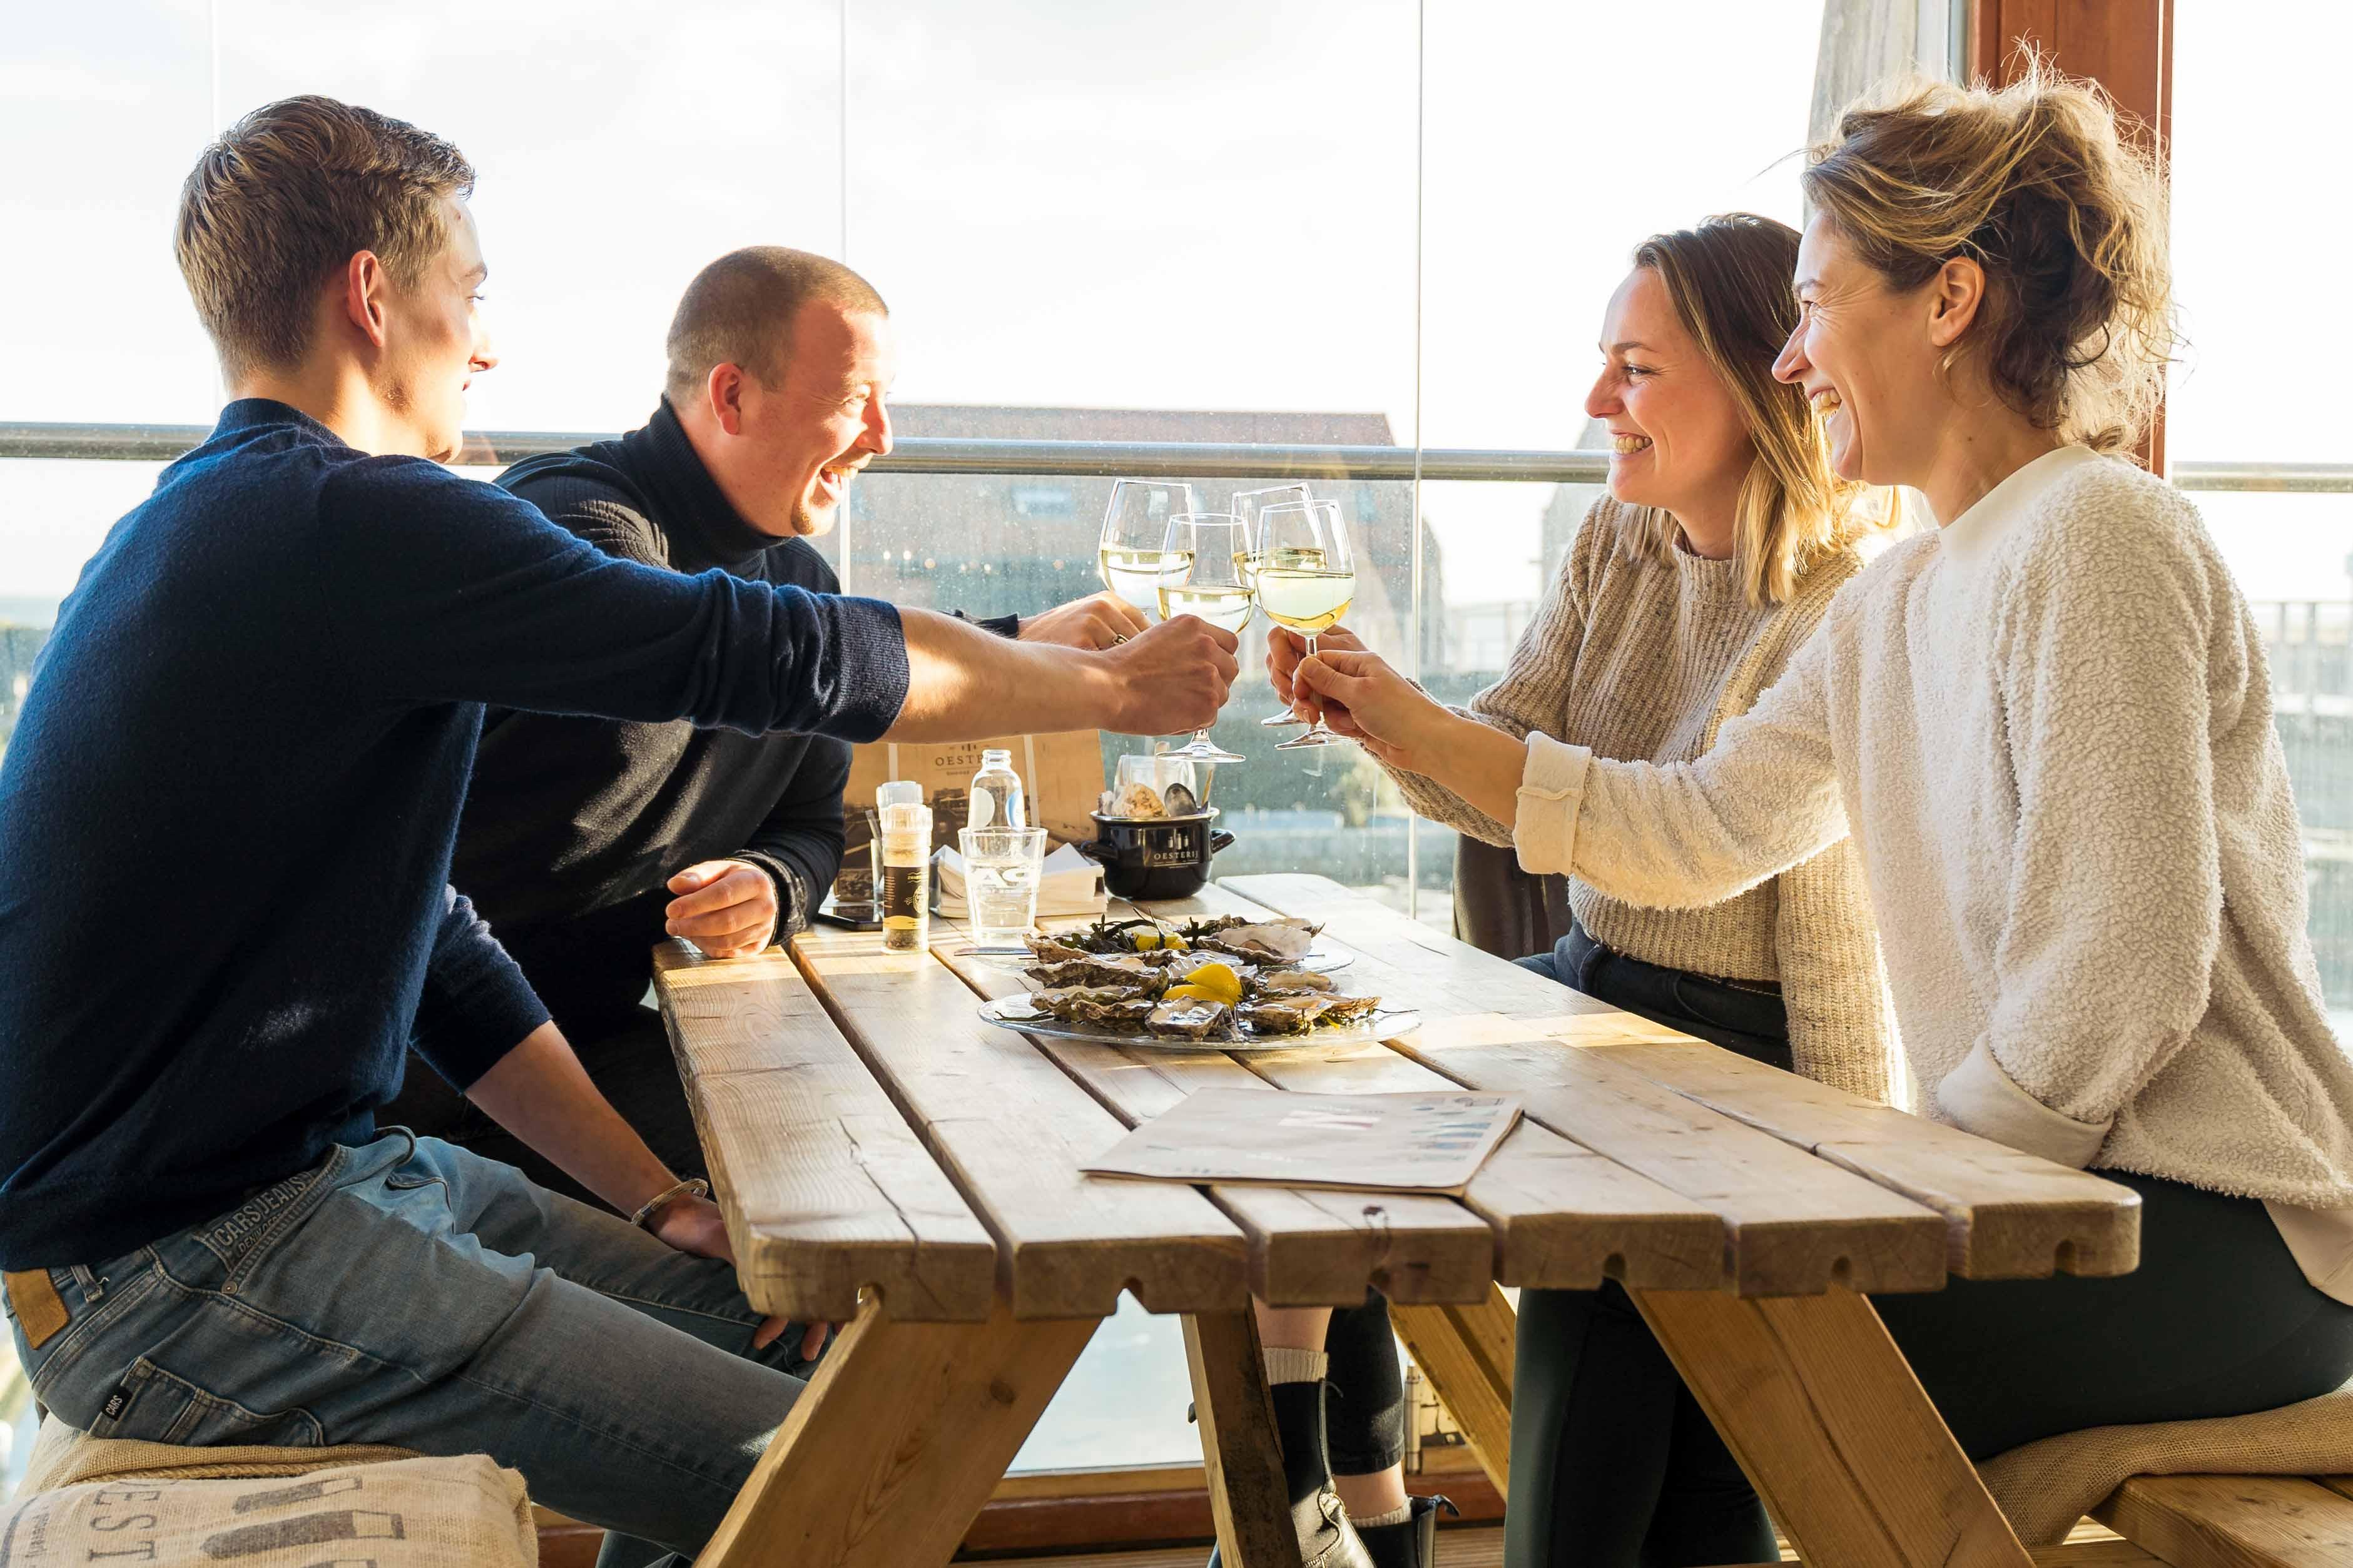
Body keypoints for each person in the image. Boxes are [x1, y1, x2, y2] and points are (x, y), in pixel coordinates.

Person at [0, 95, 1236, 1564]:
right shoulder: (349, 524)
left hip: (326, 1185)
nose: (486, 340)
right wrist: (1103, 683)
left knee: (812, 1344)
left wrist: (657, 1203)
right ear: (372, 294)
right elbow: (765, 657)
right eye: (471, 293)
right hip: (184, 1265)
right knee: (842, 1478)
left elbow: (440, 947)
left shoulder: (239, 529)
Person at [1284, 64, 2353, 1567]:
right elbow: (1700, 831)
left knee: (1689, 1311)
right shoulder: (1899, 595)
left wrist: (1917, 1188)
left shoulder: (2102, 534)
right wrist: (1400, 720)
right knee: (1648, 1279)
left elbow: (2123, 966)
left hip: (2218, 1237)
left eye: (1812, 303)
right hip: (2055, 1199)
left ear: (1949, 301)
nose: (1793, 361)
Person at [1255, 215, 1901, 1568]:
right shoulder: (1626, 539)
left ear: (1756, 377)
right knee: (1316, 1106)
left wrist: (1421, 725)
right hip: (1592, 1000)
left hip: (1750, 1054)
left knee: (1633, 1446)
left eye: (1636, 369)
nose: (1597, 402)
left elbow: (1691, 843)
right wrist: (1381, 720)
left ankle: (1366, 1530)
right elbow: (1504, 777)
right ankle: (1361, 1513)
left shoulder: (1851, 605)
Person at [382, 246, 1147, 1204]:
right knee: (812, 1229)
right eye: (856, 397)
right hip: (413, 1060)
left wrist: (771, 883)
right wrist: (1055, 665)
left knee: (867, 1184)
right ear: (733, 396)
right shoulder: (573, 527)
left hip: (586, 1042)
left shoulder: (798, 585)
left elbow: (810, 823)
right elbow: (724, 654)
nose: (882, 436)